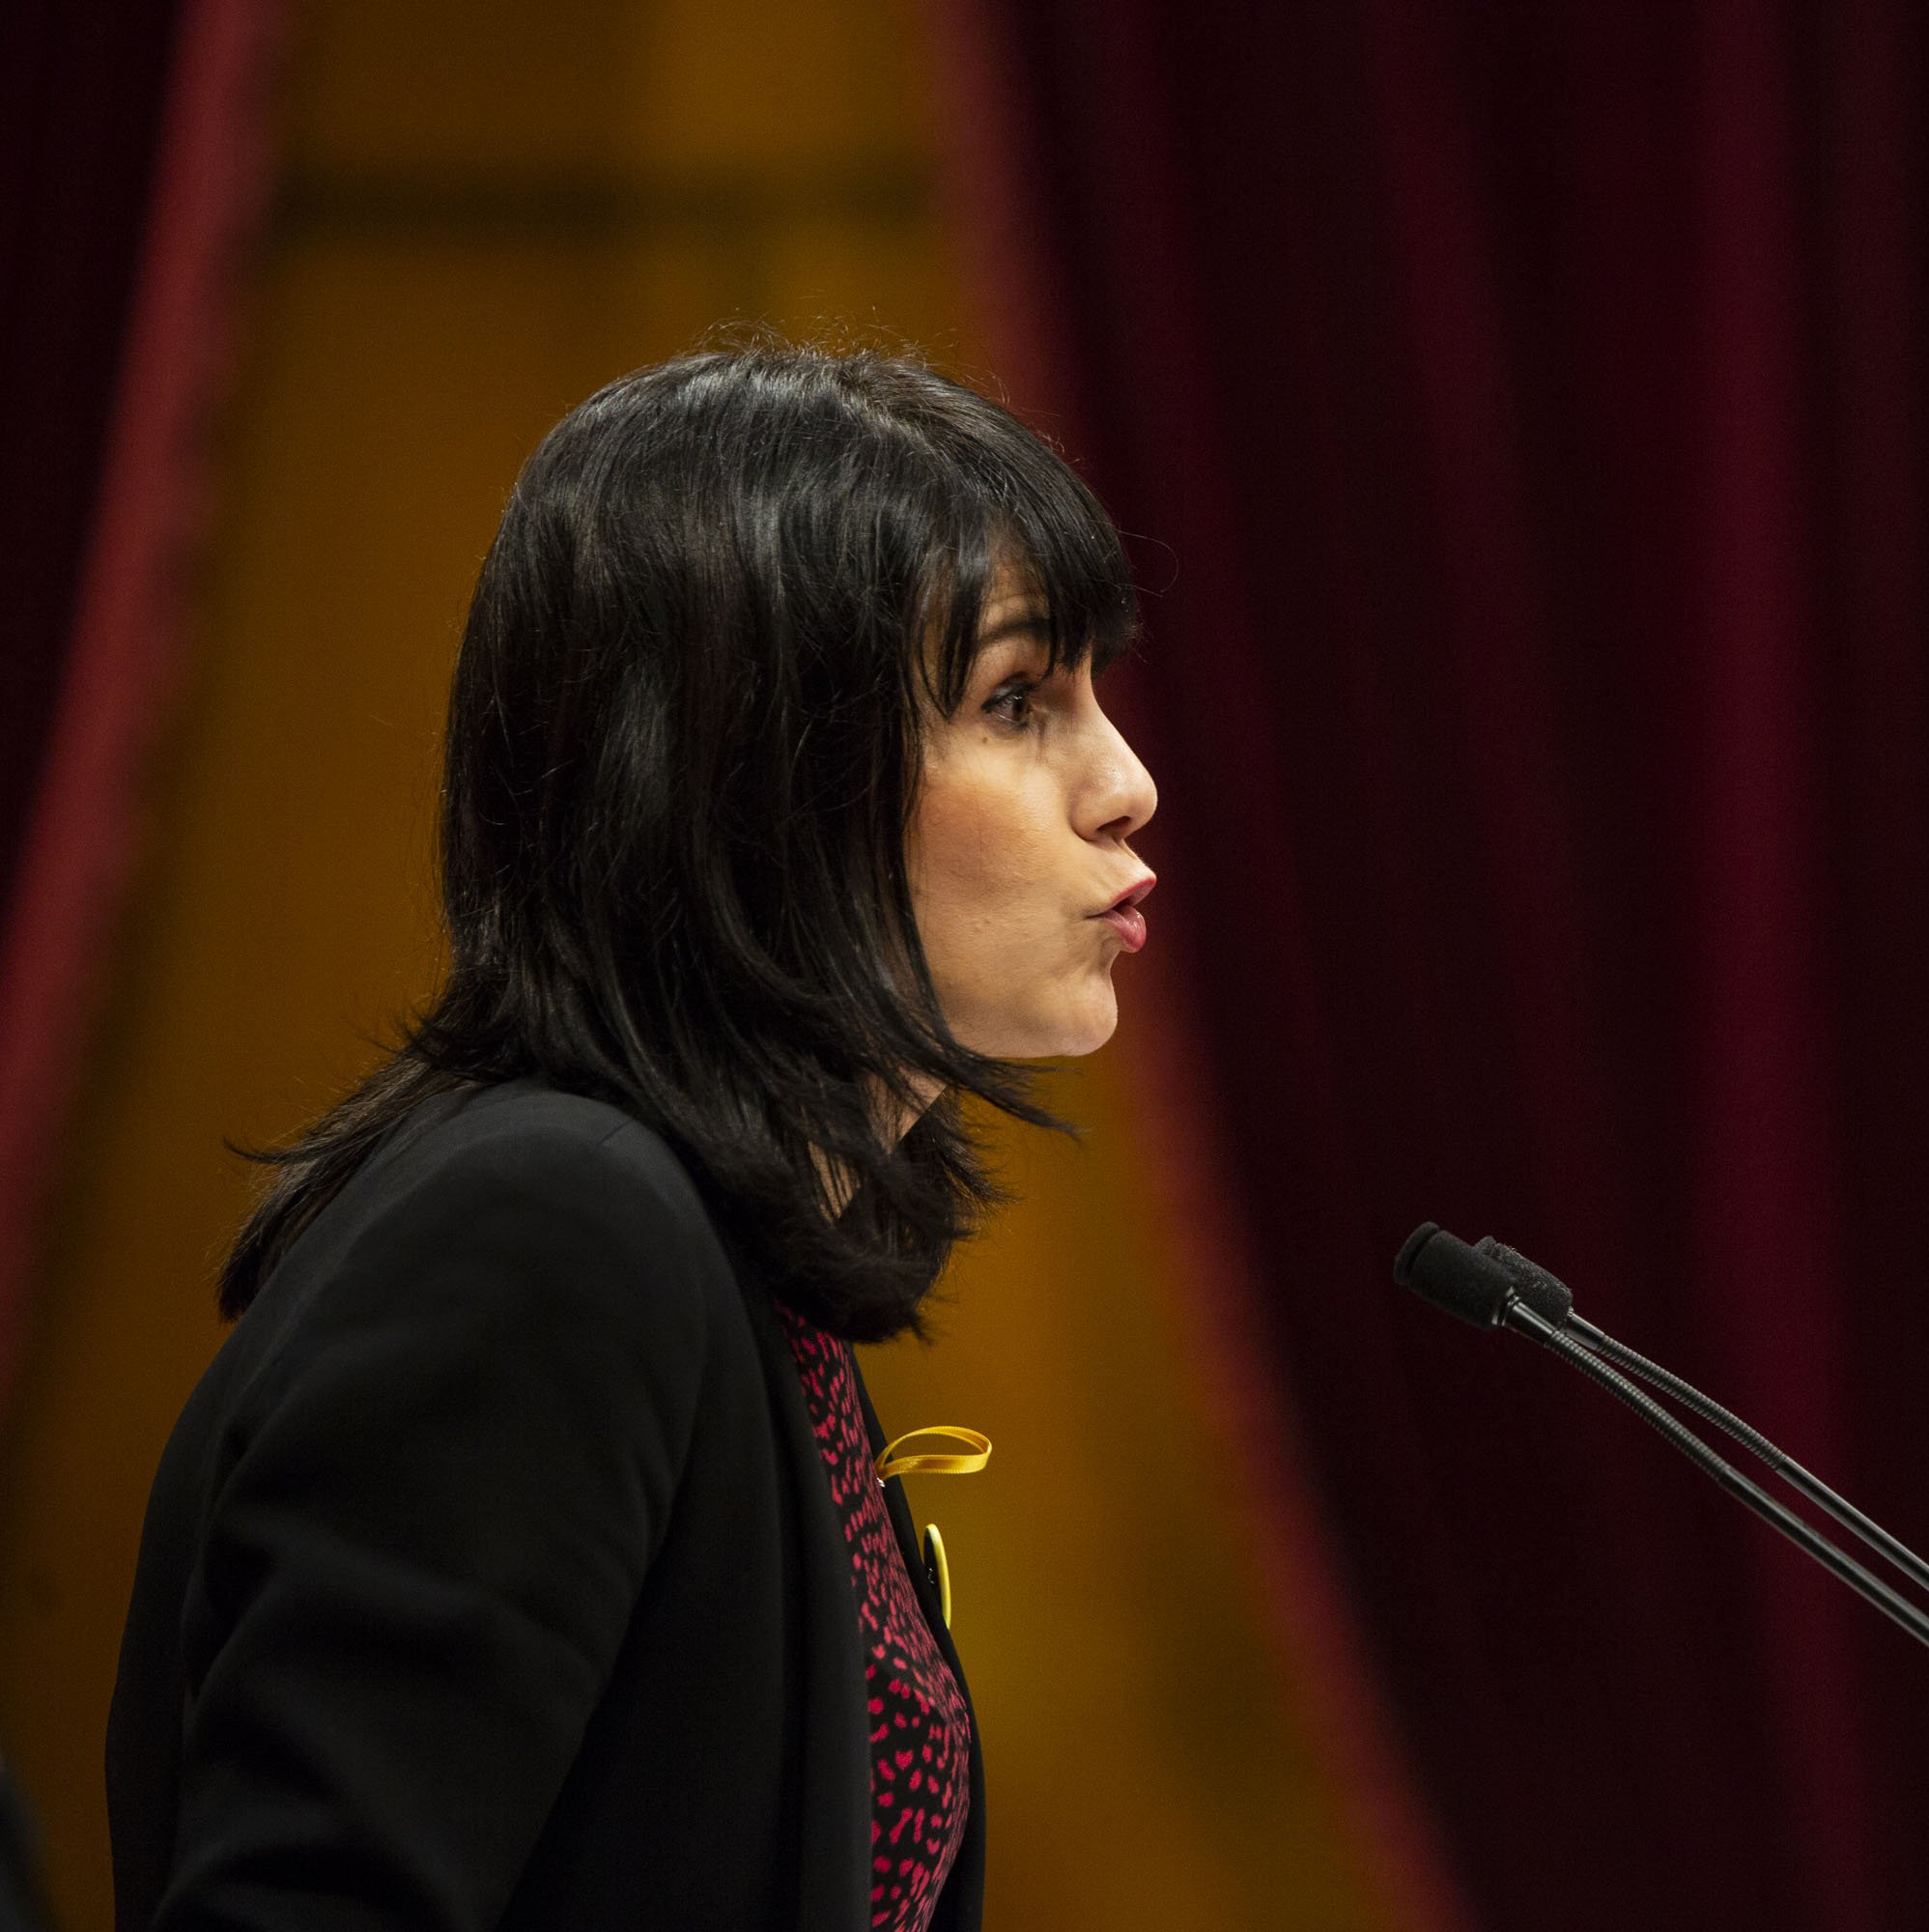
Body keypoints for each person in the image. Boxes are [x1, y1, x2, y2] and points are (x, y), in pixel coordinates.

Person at [103, 340, 1159, 1932]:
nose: (1126, 785)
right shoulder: (552, 1231)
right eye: (1017, 699)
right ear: (759, 771)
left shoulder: (732, 1264)